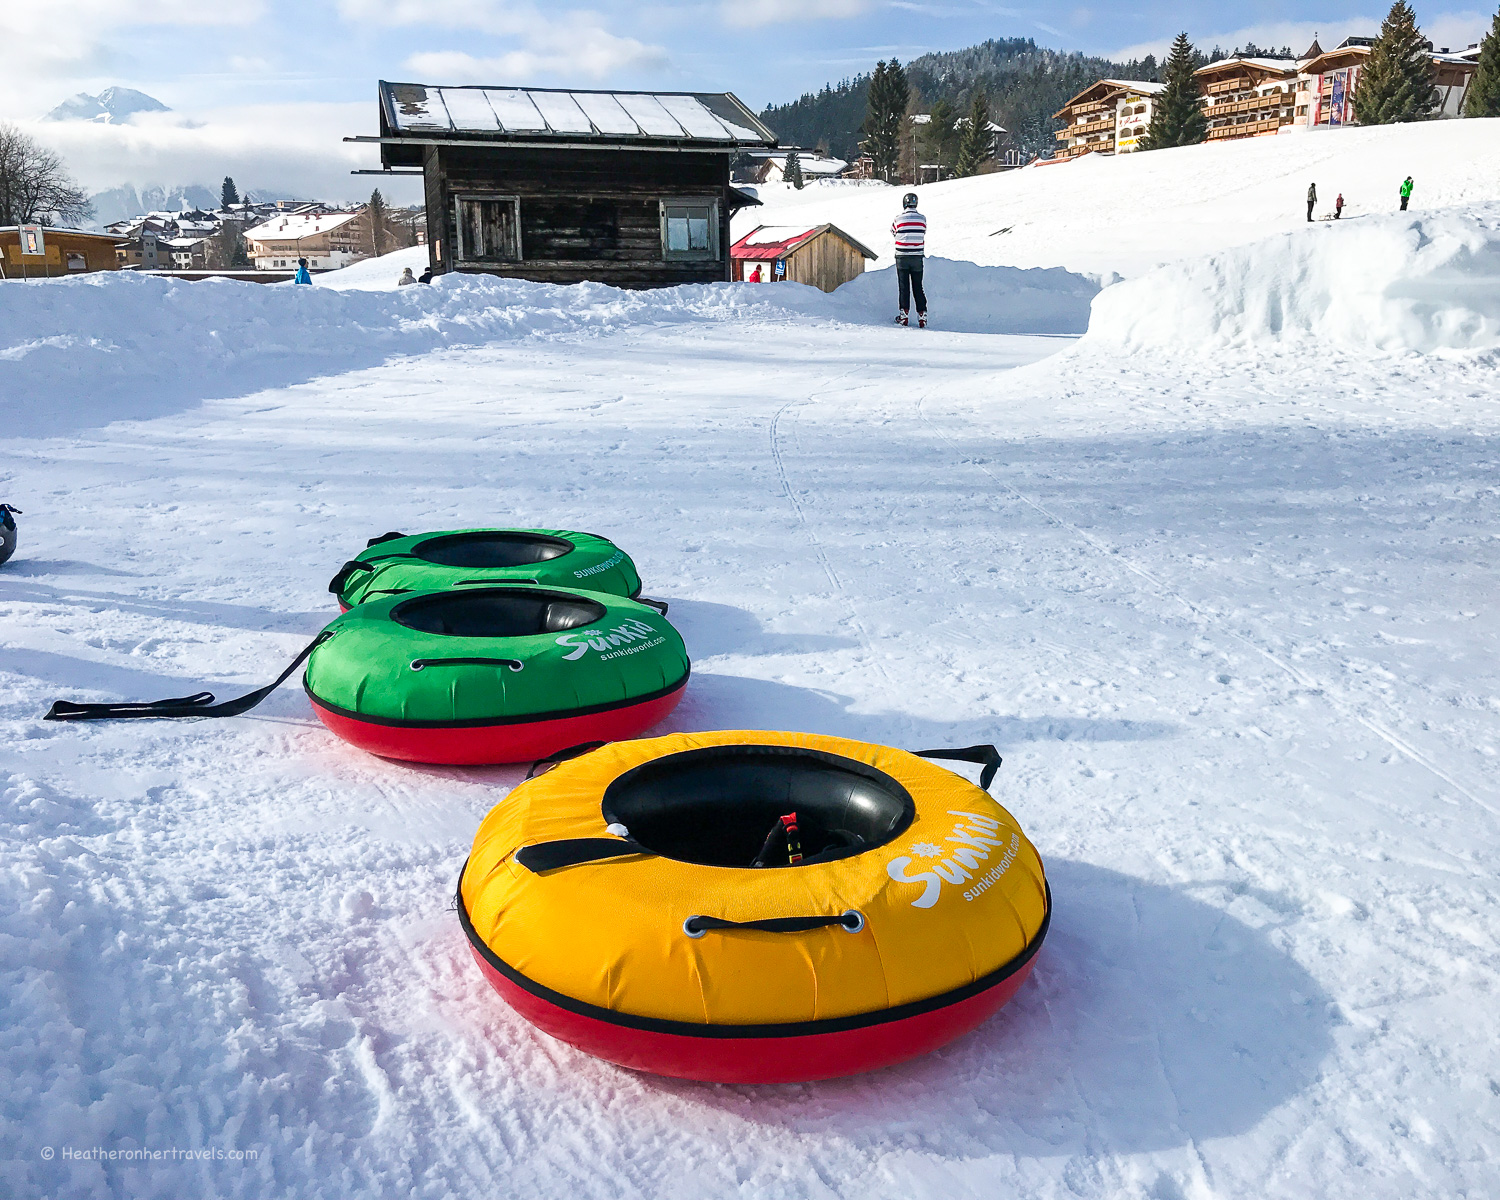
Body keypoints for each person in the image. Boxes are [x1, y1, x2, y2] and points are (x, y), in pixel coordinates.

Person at [892, 192, 927, 327]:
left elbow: (893, 232)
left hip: (901, 256)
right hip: (917, 257)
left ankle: (904, 316)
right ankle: (922, 315)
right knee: (918, 286)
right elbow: (923, 231)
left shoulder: (898, 219)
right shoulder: (922, 219)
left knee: (904, 286)